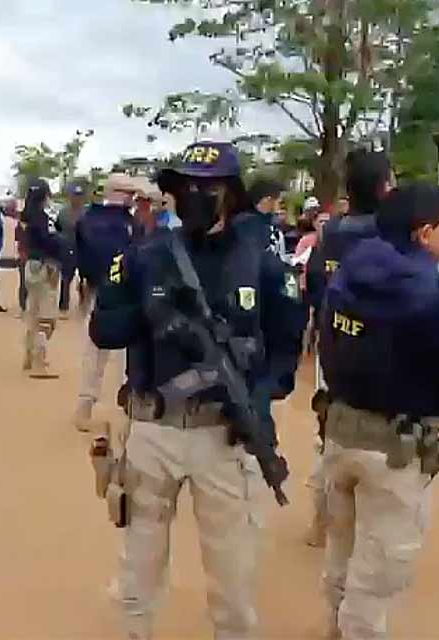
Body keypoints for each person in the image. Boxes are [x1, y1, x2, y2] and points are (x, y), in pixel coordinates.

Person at [90, 141, 305, 639]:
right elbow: (105, 330)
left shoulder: (264, 266)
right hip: (152, 428)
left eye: (207, 188)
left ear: (231, 194)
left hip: (224, 439)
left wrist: (260, 398)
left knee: (233, 581)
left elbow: (286, 351)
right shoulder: (144, 256)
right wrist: (152, 311)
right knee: (137, 571)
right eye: (185, 187)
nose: (194, 196)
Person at [318, 183, 439, 639]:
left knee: (342, 552)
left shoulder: (345, 276)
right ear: (423, 233)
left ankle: (332, 629)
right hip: (395, 453)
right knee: (378, 575)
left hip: (341, 434)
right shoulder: (433, 301)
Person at [304, 149, 394, 548]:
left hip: (334, 343)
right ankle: (356, 529)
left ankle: (321, 520)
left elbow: (316, 283)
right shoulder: (391, 236)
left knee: (328, 430)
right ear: (384, 186)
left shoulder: (333, 232)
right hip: (380, 349)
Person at [72, 173, 141, 432]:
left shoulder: (88, 219)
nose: (132, 199)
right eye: (128, 194)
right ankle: (129, 409)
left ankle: (86, 407)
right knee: (124, 354)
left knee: (96, 354)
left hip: (97, 289)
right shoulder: (125, 224)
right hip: (120, 294)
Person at [21, 179, 64, 379]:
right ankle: (40, 361)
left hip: (31, 265)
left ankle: (29, 355)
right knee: (46, 318)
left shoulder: (27, 216)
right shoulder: (42, 218)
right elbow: (50, 242)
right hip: (44, 266)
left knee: (33, 312)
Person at [57, 182, 86, 317]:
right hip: (67, 248)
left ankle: (83, 303)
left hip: (83, 248)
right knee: (66, 278)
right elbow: (58, 228)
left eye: (79, 195)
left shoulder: (86, 212)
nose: (77, 198)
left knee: (84, 278)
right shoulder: (63, 212)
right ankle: (63, 306)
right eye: (75, 195)